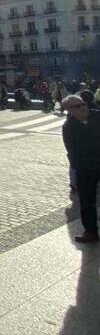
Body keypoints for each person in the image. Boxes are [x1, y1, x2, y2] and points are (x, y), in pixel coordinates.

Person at [61, 95, 100, 243]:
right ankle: (90, 232)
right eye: (77, 106)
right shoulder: (68, 127)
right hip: (86, 169)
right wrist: (79, 166)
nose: (83, 107)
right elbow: (71, 150)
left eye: (83, 104)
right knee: (86, 202)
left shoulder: (98, 115)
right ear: (69, 111)